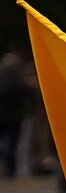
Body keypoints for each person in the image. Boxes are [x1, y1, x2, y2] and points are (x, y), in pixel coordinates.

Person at [0, 47, 27, 178]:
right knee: (12, 144)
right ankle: (10, 169)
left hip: (8, 115)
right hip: (12, 116)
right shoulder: (16, 78)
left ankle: (9, 168)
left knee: (10, 144)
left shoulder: (6, 77)